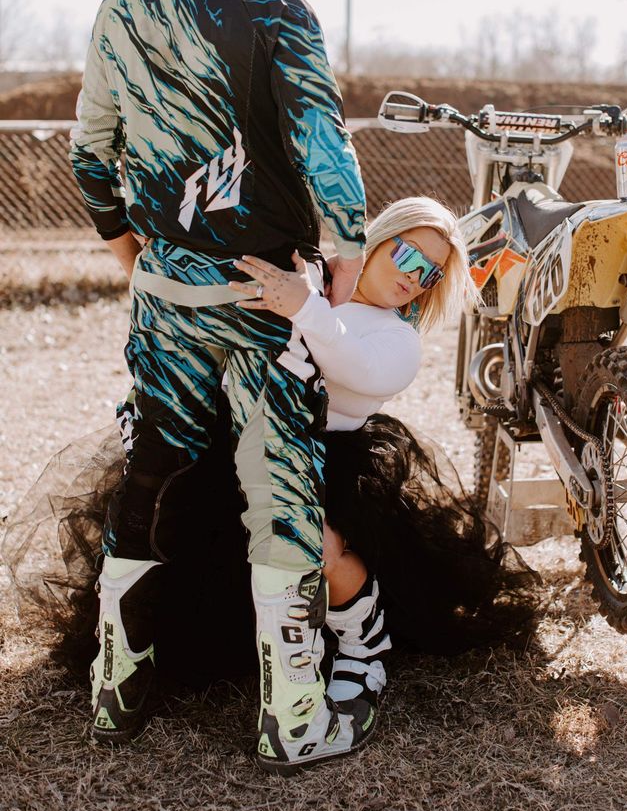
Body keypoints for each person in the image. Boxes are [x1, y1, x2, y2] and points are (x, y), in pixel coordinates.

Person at [4, 198, 540, 771]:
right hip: (239, 440)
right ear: (377, 240)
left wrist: (306, 306)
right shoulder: (313, 275)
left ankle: (365, 642)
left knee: (320, 544)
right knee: (183, 535)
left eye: (429, 271)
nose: (413, 275)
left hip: (326, 459)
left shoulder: (395, 336)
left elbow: (361, 367)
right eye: (407, 253)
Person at [67, 0, 368, 773]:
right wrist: (345, 271)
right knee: (281, 490)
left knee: (150, 474)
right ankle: (295, 717)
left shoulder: (124, 3)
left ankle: (116, 691)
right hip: (263, 298)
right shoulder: (278, 8)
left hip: (163, 296)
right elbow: (326, 151)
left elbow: (90, 153)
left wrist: (141, 262)